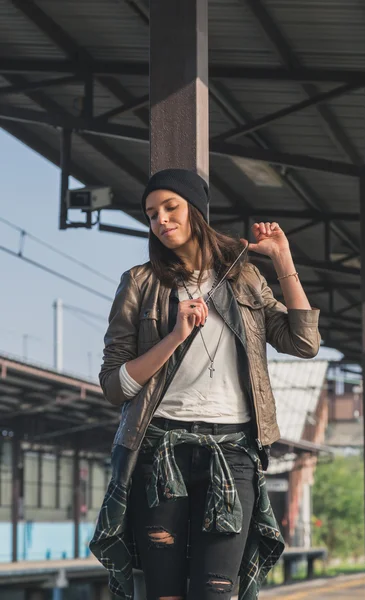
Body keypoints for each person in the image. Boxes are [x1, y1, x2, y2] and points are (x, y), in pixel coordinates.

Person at [90, 168, 321, 600]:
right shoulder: (140, 282)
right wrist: (175, 336)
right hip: (160, 454)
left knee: (216, 592)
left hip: (232, 453)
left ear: (195, 210)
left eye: (170, 207)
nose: (161, 220)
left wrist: (282, 257)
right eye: (152, 214)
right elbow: (115, 386)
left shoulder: (244, 277)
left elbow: (305, 342)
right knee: (165, 593)